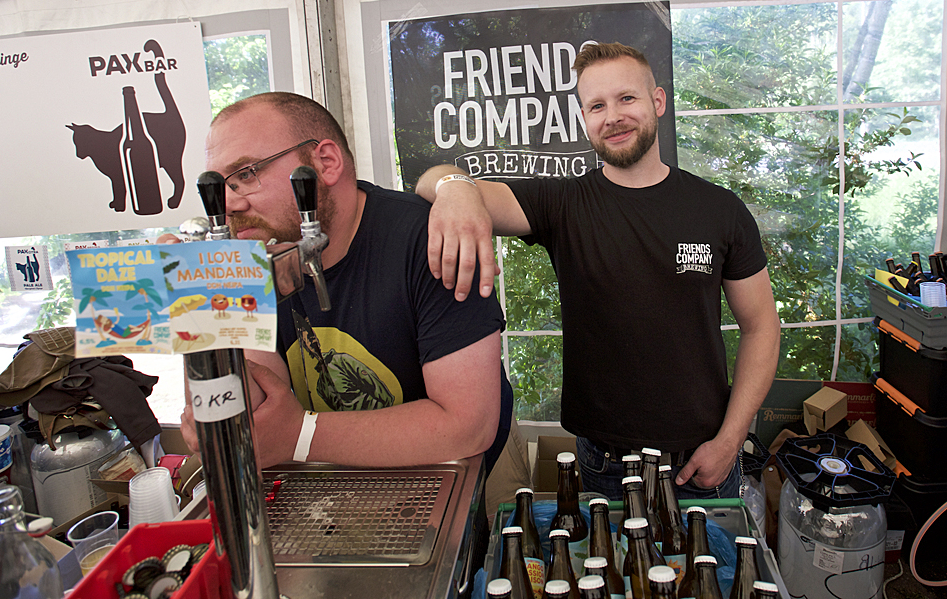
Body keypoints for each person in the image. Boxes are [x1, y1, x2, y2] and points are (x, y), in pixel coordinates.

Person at [416, 42, 781, 502]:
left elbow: (761, 326)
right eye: (597, 106)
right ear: (584, 118)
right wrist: (455, 189)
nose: (613, 117)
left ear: (658, 101)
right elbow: (430, 181)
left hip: (702, 458)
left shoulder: (719, 209)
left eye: (626, 98)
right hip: (604, 463)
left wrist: (730, 440)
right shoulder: (562, 204)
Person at [175, 92, 528, 510]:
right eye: (218, 186)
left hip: (467, 478)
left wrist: (298, 434)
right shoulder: (252, 263)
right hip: (336, 477)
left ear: (325, 163)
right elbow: (256, 414)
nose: (229, 204)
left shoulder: (429, 239)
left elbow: (466, 426)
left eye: (247, 174)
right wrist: (197, 306)